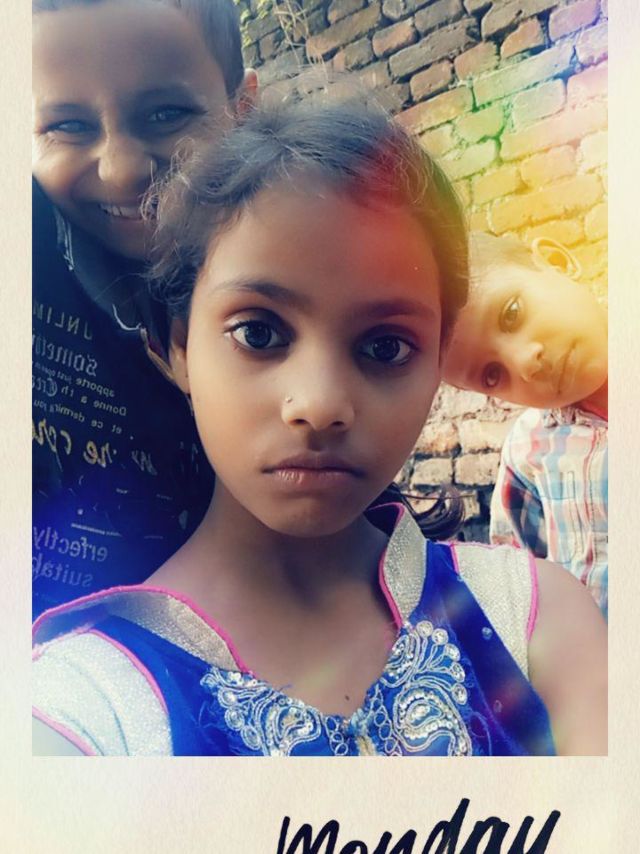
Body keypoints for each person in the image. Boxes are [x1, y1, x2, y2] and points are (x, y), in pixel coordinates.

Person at [33, 100, 607, 756]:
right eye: (259, 333)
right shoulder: (86, 707)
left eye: (386, 347)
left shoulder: (534, 620)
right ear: (177, 347)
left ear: (436, 369)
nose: (320, 403)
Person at [32, 0, 257, 616]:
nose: (122, 170)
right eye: (67, 125)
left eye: (166, 114)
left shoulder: (296, 244)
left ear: (243, 110)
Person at [443, 232, 608, 619]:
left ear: (558, 262)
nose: (526, 363)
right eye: (493, 374)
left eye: (511, 314)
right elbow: (522, 589)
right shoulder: (527, 452)